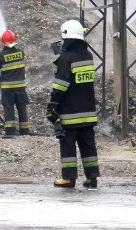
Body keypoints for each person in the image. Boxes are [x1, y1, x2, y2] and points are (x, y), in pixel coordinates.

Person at [47, 19, 99, 189]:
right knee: (88, 146)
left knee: (67, 145)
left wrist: (52, 105)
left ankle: (69, 179)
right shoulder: (88, 56)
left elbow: (60, 85)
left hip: (70, 113)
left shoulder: (65, 59)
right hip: (88, 112)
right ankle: (92, 178)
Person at [0, 30, 30, 137]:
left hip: (7, 88)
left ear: (3, 42)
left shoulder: (1, 56)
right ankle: (25, 131)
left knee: (9, 108)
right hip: (20, 87)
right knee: (22, 108)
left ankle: (10, 132)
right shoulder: (21, 53)